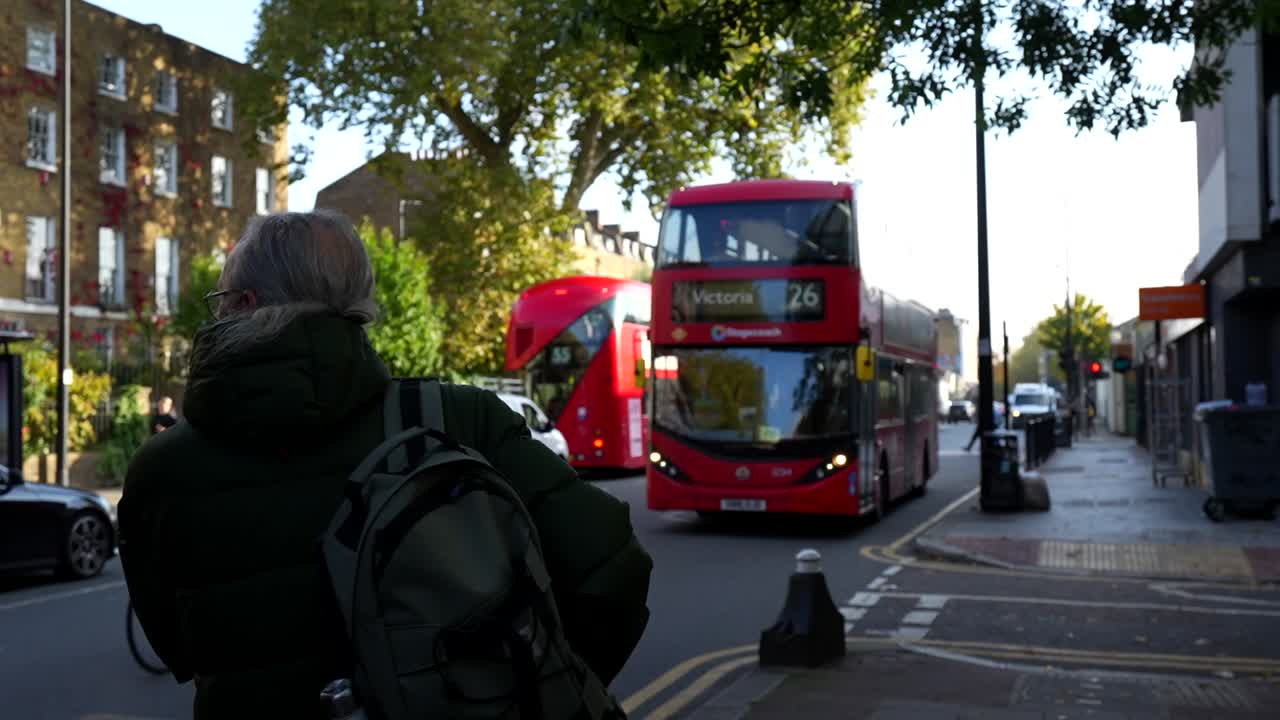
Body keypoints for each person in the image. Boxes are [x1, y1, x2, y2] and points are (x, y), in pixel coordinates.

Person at [118, 210, 653, 718]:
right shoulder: (459, 420)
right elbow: (612, 569)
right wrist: (530, 690)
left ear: (243, 302)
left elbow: (177, 649)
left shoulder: (161, 472)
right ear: (358, 304)